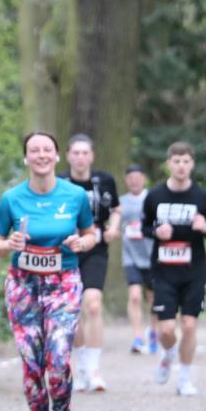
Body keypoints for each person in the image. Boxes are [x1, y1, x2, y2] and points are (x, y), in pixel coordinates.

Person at [0, 131, 97, 411]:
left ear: (56, 156)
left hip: (62, 282)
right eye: (34, 150)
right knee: (32, 362)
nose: (41, 155)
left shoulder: (76, 195)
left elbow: (91, 234)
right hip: (23, 286)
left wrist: (82, 243)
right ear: (26, 158)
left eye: (47, 149)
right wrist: (8, 245)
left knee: (59, 356)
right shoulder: (11, 198)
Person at [143, 141, 206, 396]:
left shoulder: (203, 197)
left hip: (194, 271)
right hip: (163, 271)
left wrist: (205, 228)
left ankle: (184, 379)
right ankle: (168, 354)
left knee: (189, 325)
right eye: (176, 161)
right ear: (169, 164)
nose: (181, 166)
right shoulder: (155, 196)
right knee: (166, 330)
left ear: (192, 164)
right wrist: (156, 231)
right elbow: (142, 227)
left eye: (186, 161)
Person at [59, 134, 120, 392]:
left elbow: (115, 209)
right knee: (72, 310)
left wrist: (113, 228)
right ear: (68, 156)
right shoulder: (59, 183)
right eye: (76, 153)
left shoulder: (104, 181)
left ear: (92, 156)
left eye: (85, 153)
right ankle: (81, 364)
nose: (81, 157)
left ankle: (94, 369)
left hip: (95, 249)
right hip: (65, 250)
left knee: (93, 304)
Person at [119, 165, 158, 354]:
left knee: (153, 297)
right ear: (126, 180)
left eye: (137, 176)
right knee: (134, 297)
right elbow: (113, 223)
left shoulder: (152, 199)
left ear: (144, 178)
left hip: (151, 256)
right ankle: (137, 336)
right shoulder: (121, 202)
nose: (134, 180)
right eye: (130, 177)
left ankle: (153, 331)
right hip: (130, 256)